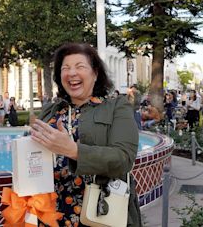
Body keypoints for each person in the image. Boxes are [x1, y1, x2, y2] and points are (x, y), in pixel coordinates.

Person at [30, 43, 141, 226]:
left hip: (97, 211)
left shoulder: (116, 106)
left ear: (95, 73)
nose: (71, 73)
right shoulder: (51, 111)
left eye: (80, 66)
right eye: (65, 68)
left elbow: (124, 159)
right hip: (51, 212)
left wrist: (73, 150)